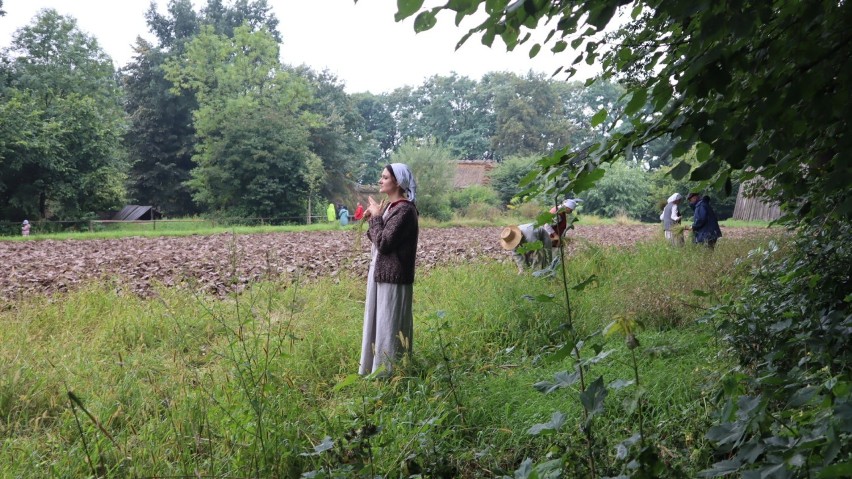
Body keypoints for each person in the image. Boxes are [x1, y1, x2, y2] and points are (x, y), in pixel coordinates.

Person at [359, 163, 419, 376]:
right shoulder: (393, 208)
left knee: (389, 326)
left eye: (385, 177)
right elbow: (378, 239)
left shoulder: (405, 210)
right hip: (383, 275)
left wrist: (377, 217)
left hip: (394, 278)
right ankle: (378, 370)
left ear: (398, 182)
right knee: (380, 323)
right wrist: (374, 218)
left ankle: (391, 373)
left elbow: (384, 244)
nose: (380, 180)